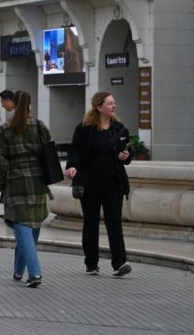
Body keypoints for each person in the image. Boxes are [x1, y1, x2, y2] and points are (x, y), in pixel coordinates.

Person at [65, 91, 133, 277]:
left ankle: (120, 263)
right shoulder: (84, 128)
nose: (114, 106)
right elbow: (74, 151)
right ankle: (91, 263)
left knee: (114, 223)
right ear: (98, 106)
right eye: (110, 103)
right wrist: (71, 167)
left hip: (113, 183)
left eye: (114, 103)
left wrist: (127, 156)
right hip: (90, 183)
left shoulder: (119, 129)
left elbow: (127, 152)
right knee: (91, 222)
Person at [0, 90, 52, 288]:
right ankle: (19, 270)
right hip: (38, 180)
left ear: (14, 104)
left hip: (15, 179)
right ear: (29, 104)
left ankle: (34, 273)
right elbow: (49, 153)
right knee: (33, 224)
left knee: (21, 225)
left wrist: (3, 181)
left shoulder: (5, 128)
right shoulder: (39, 126)